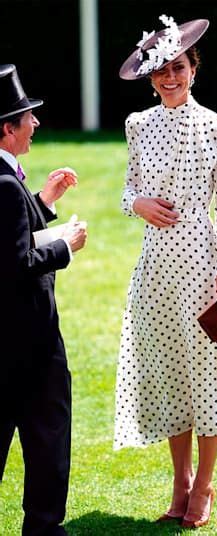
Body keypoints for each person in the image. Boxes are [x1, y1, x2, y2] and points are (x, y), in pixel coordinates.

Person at [114, 14, 217, 529]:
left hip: (201, 264)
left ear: (194, 68)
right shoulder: (136, 125)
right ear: (150, 78)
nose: (171, 77)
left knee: (208, 375)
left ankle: (205, 486)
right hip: (155, 269)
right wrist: (137, 204)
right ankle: (180, 481)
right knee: (168, 375)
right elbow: (127, 190)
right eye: (162, 70)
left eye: (179, 67)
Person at [0, 64, 87, 536]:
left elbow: (7, 232)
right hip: (29, 345)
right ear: (8, 128)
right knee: (48, 444)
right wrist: (64, 246)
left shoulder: (8, 182)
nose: (35, 123)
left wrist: (45, 201)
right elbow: (15, 262)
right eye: (27, 117)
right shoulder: (4, 185)